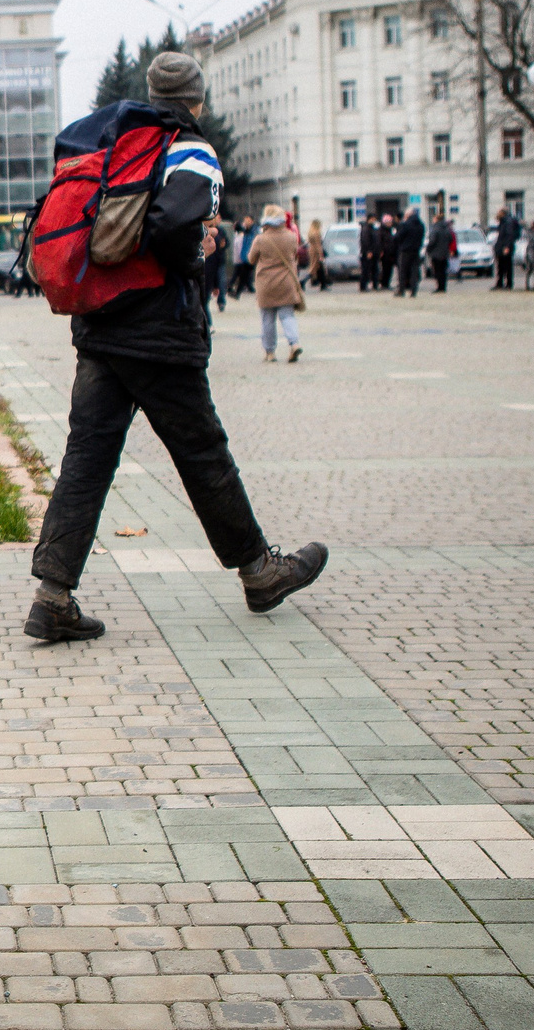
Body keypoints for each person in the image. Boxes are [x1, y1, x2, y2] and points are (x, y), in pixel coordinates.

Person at [23, 50, 328, 643]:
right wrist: (197, 253)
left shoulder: (117, 138)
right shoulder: (189, 146)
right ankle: (260, 571)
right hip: (159, 331)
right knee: (202, 451)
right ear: (197, 100)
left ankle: (53, 595)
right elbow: (168, 225)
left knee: (86, 458)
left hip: (100, 325)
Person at [252, 205, 303, 362]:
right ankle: (294, 343)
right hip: (286, 282)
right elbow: (294, 254)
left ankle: (270, 352)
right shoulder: (291, 237)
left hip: (266, 283)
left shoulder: (260, 239)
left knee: (267, 318)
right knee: (287, 316)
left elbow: (251, 258)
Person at [395, 205, 426, 297]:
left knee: (403, 271)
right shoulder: (421, 224)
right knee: (414, 271)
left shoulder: (405, 224)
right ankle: (413, 291)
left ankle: (401, 290)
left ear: (408, 214)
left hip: (405, 250)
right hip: (416, 250)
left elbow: (398, 237)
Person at [492, 207, 521, 290]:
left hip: (505, 247)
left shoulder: (507, 222)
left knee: (507, 266)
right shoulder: (503, 221)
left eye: (499, 213)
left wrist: (507, 247)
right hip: (501, 246)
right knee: (500, 266)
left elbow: (509, 235)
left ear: (503, 213)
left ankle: (508, 284)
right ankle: (500, 283)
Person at [230, 214, 257, 299]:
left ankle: (238, 292)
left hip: (250, 256)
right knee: (244, 276)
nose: (245, 222)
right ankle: (239, 292)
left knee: (244, 275)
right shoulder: (246, 230)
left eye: (247, 220)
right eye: (245, 220)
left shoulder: (254, 230)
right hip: (245, 256)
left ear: (252, 221)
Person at [426, 213, 454, 293]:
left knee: (437, 271)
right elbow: (451, 239)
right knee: (443, 271)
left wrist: (428, 249)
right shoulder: (447, 228)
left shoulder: (435, 229)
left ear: (436, 219)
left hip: (436, 253)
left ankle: (439, 287)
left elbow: (432, 241)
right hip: (445, 253)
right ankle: (443, 287)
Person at [306, 218, 328, 290]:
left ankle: (323, 285)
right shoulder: (317, 233)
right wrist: (321, 255)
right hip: (316, 252)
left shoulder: (311, 232)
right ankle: (302, 281)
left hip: (311, 250)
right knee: (314, 268)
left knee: (319, 268)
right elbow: (318, 245)